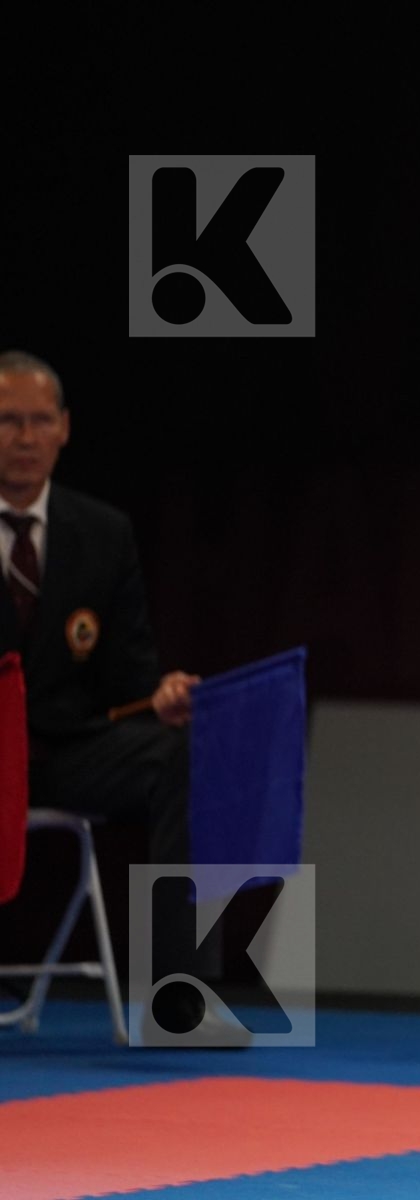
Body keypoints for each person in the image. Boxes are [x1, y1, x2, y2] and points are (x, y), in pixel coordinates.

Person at [0, 350, 213, 1029]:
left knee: (179, 755)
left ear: (64, 429)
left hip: (62, 750)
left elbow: (129, 677)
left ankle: (179, 995)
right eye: (7, 421)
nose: (25, 438)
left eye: (39, 421)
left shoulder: (103, 533)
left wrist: (160, 695)